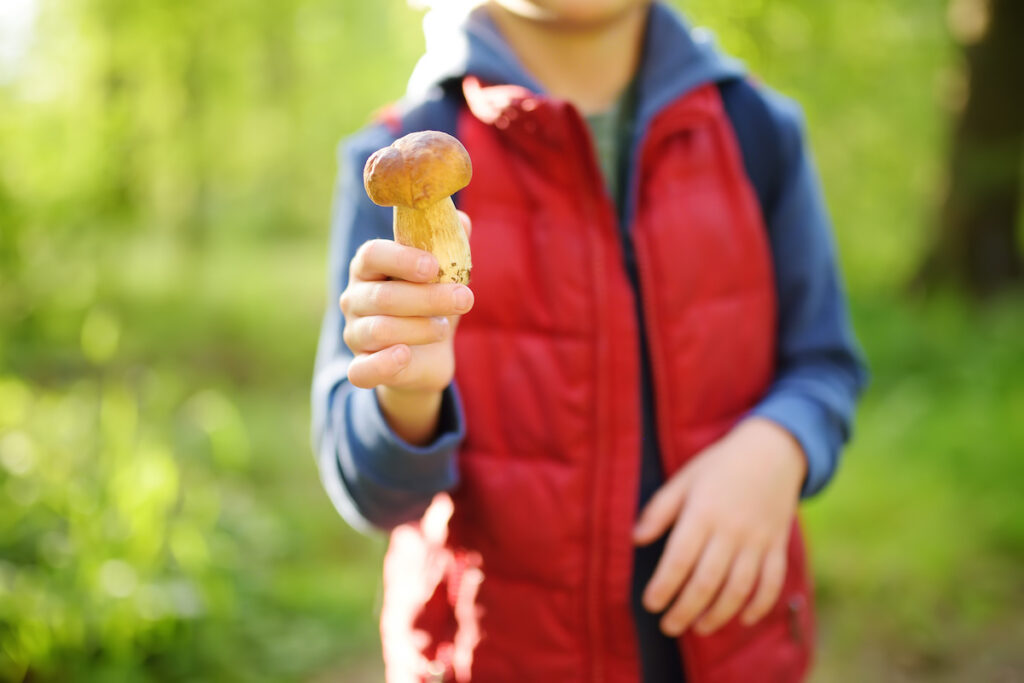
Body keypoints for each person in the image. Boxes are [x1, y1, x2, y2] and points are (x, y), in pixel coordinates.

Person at [311, 1, 867, 681]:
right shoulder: (399, 148)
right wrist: (405, 392)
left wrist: (778, 446)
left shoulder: (757, 132)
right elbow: (370, 489)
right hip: (493, 653)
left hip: (727, 641)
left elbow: (825, 363)